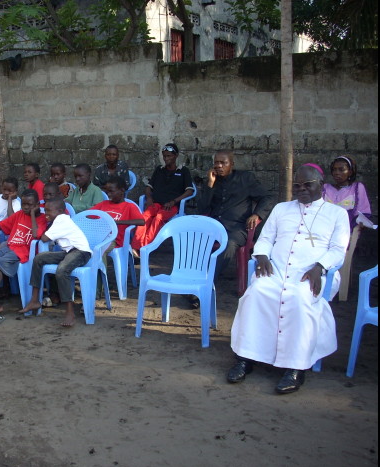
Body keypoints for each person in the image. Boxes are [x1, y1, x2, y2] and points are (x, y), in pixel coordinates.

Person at [226, 165, 350, 394]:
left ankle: (296, 367)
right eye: (297, 186)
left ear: (321, 185)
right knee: (256, 292)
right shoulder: (281, 209)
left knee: (300, 298)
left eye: (307, 185)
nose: (301, 189)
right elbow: (266, 238)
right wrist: (262, 255)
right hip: (277, 270)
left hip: (310, 274)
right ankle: (245, 358)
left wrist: (320, 267)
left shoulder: (337, 214)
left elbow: (338, 249)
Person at [0, 189, 47, 325]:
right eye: (23, 204)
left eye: (29, 205)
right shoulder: (19, 214)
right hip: (10, 247)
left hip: (23, 251)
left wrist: (32, 214)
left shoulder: (41, 219)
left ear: (37, 205)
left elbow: (36, 234)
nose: (25, 207)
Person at [197, 150, 273, 281]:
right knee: (192, 240)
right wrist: (210, 185)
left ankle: (207, 281)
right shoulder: (212, 181)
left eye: (223, 163)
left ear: (232, 164)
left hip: (237, 229)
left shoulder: (245, 179)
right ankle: (191, 275)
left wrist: (257, 214)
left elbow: (267, 198)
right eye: (216, 163)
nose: (219, 166)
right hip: (214, 227)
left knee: (229, 245)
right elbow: (202, 208)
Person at [18, 199, 93, 327]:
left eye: (48, 211)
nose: (45, 213)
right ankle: (34, 300)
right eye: (45, 210)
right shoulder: (57, 220)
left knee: (62, 270)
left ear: (60, 211)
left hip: (81, 252)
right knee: (39, 258)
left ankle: (70, 311)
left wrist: (39, 222)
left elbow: (43, 238)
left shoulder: (61, 220)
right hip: (69, 252)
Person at [132, 143, 194, 252]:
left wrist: (174, 201)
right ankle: (136, 246)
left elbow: (189, 191)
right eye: (164, 156)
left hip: (171, 206)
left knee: (158, 218)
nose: (166, 158)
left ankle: (144, 248)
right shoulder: (159, 170)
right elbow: (148, 187)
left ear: (176, 156)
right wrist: (149, 197)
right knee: (145, 216)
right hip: (156, 203)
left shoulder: (183, 171)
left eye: (169, 156)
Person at [91, 176, 144, 253]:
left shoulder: (129, 206)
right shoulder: (103, 204)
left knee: (99, 249)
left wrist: (116, 222)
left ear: (122, 190)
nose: (108, 194)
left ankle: (99, 261)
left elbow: (141, 222)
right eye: (107, 192)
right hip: (98, 236)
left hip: (114, 239)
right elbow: (87, 215)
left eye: (111, 191)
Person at [322, 155, 372, 231]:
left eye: (341, 170)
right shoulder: (325, 188)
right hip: (325, 230)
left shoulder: (357, 188)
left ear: (350, 172)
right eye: (334, 170)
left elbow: (363, 212)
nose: (337, 173)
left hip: (349, 231)